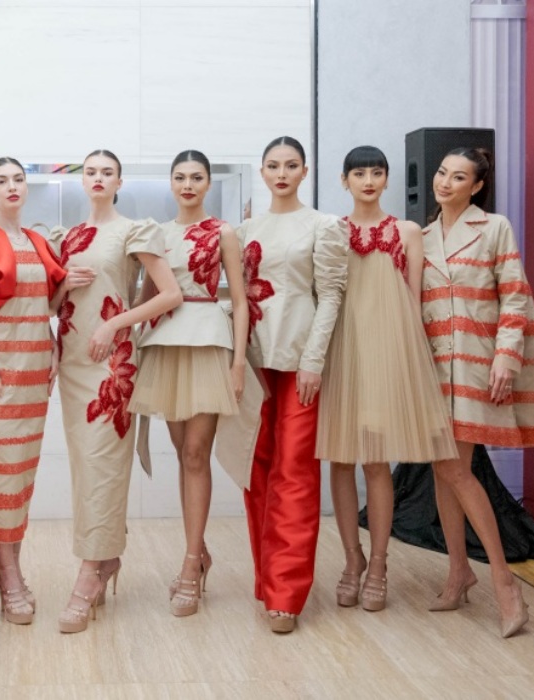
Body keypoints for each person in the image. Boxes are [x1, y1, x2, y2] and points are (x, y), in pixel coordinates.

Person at [421, 147, 534, 638]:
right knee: (443, 469)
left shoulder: (494, 228)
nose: (445, 182)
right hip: (433, 368)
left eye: (458, 176)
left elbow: (515, 295)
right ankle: (458, 573)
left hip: (477, 364)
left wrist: (507, 356)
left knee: (453, 468)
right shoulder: (421, 236)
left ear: (477, 186)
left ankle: (504, 583)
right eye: (442, 173)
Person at [317, 146, 457, 614]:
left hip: (386, 352)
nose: (368, 181)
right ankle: (351, 559)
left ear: (387, 179)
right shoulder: (332, 231)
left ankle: (378, 564)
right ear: (344, 180)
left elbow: (414, 302)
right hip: (341, 350)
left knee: (375, 461)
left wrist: (407, 362)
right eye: (359, 173)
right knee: (340, 460)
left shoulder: (407, 231)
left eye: (377, 172)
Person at [52, 149, 182, 634]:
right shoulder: (67, 237)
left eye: (107, 172)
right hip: (72, 361)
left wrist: (116, 323)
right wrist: (62, 284)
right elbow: (53, 303)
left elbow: (170, 294)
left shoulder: (134, 230)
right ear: (82, 180)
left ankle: (90, 571)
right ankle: (105, 558)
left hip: (113, 366)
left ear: (119, 182)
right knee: (85, 467)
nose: (98, 178)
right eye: (90, 172)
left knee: (104, 465)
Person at [233, 136, 348, 634]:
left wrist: (314, 361)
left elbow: (331, 295)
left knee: (295, 471)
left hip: (301, 358)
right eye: (273, 165)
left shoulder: (324, 225)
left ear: (305, 171)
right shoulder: (244, 230)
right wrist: (236, 360)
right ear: (262, 172)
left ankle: (287, 595)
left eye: (291, 165)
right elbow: (237, 298)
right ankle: (267, 581)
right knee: (256, 469)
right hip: (254, 358)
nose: (281, 173)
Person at [127, 150, 249, 617]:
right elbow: (146, 297)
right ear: (171, 182)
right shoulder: (156, 233)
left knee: (197, 453)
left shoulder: (224, 232)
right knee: (184, 455)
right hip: (165, 346)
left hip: (208, 341)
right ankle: (198, 552)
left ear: (209, 184)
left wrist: (238, 363)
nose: (188, 184)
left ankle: (190, 563)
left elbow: (240, 300)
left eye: (197, 177)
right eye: (180, 177)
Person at [0, 157, 69, 626]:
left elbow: (47, 305)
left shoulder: (38, 242)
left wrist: (56, 336)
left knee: (20, 475)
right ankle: (10, 574)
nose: (11, 187)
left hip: (35, 371)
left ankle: (9, 570)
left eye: (18, 179)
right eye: (1, 181)